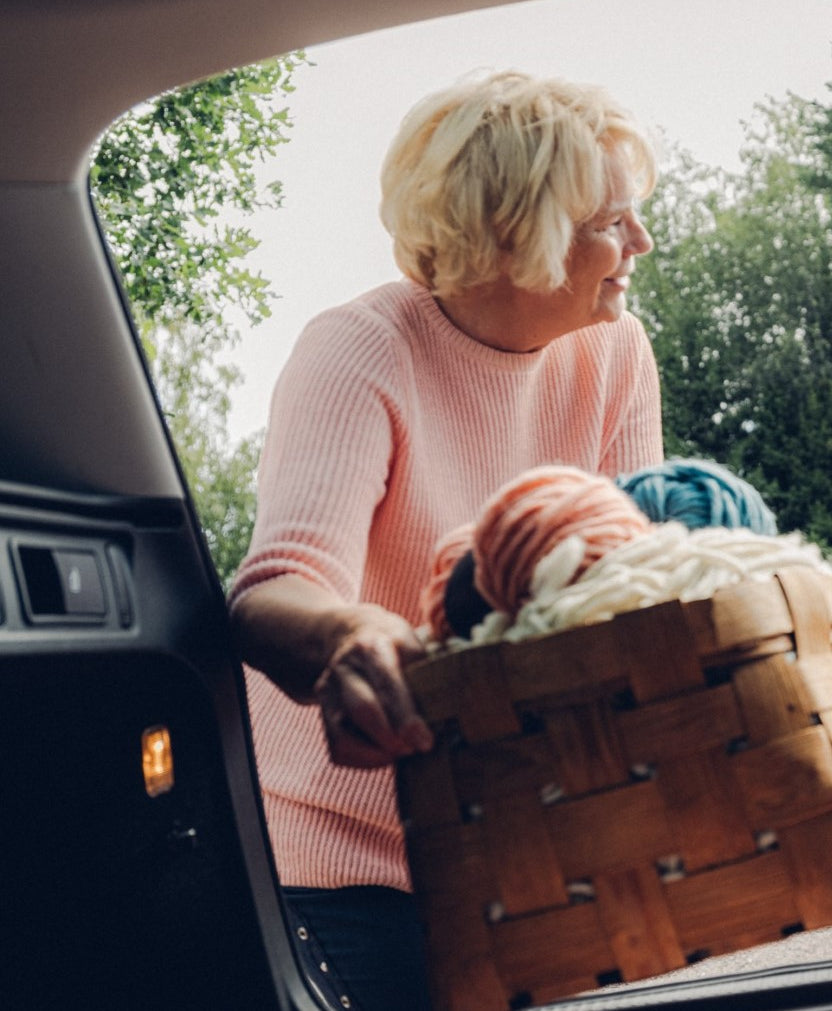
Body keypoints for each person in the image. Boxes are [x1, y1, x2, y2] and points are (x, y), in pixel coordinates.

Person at [227, 71, 663, 1010]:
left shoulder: (617, 349)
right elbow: (276, 588)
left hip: (528, 846)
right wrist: (348, 638)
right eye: (609, 222)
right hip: (346, 864)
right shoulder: (358, 349)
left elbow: (629, 580)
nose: (640, 242)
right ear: (516, 234)